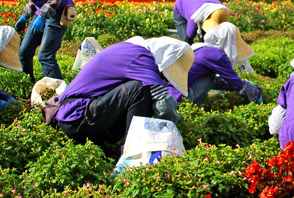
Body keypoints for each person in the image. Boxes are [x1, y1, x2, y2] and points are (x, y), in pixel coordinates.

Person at [55, 36, 194, 148]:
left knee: (144, 92)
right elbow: (163, 105)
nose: (163, 78)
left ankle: (116, 146)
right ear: (165, 61)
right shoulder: (141, 57)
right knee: (139, 89)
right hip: (76, 116)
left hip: (79, 116)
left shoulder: (131, 51)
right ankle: (132, 150)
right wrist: (171, 137)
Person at [187, 22, 263, 106]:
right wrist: (255, 92)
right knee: (210, 78)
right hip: (183, 96)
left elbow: (219, 81)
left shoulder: (200, 48)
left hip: (175, 92)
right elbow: (237, 84)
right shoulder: (216, 55)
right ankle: (193, 105)